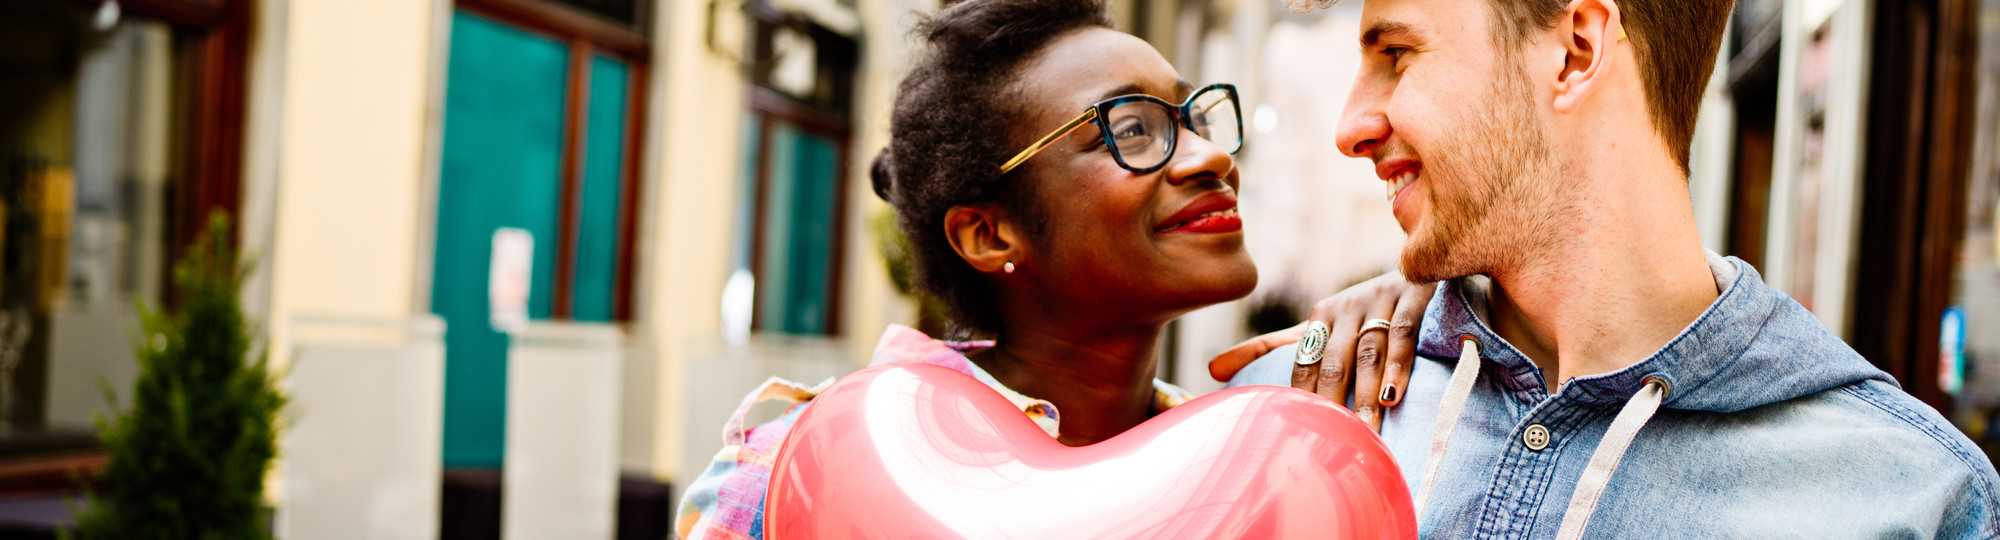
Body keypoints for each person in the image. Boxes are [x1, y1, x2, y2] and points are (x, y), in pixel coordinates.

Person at [1217, 0, 2000, 537]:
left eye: (1396, 53)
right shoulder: (1295, 415)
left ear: (1576, 51)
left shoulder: (1914, 501)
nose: (1350, 125)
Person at [675, 1, 1272, 537]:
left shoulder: (1249, 469)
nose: (1212, 155)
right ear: (989, 234)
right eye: (1132, 129)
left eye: (1195, 119)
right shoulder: (799, 472)